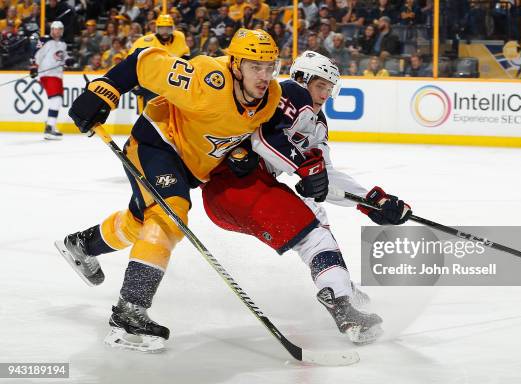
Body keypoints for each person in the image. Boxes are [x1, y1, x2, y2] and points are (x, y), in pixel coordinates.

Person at [54, 29, 282, 352]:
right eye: (255, 66)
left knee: (141, 223)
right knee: (170, 213)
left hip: (189, 166)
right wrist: (104, 92)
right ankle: (130, 311)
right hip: (156, 142)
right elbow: (143, 63)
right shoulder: (207, 79)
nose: (264, 75)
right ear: (234, 65)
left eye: (269, 66)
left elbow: (238, 127)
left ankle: (82, 245)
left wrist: (241, 153)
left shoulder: (271, 96)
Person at [201, 51, 412, 344]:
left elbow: (324, 176)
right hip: (237, 186)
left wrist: (373, 201)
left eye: (329, 87)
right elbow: (264, 140)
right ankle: (342, 305)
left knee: (318, 229)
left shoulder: (317, 122)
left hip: (246, 192)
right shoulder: (290, 92)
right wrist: (302, 167)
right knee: (315, 237)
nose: (325, 93)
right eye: (320, 84)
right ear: (301, 77)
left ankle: (338, 286)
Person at [129, 14, 190, 113]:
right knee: (147, 117)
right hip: (149, 84)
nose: (165, 32)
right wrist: (134, 83)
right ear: (157, 29)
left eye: (168, 29)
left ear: (173, 28)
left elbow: (185, 57)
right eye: (162, 29)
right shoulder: (145, 41)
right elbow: (131, 62)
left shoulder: (179, 37)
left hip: (170, 86)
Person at [29, 21, 75, 140]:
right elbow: (36, 53)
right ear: (52, 30)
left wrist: (68, 60)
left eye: (60, 29)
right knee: (56, 100)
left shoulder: (63, 43)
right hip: (47, 74)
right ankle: (49, 128)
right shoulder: (45, 40)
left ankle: (50, 125)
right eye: (55, 29)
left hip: (58, 75)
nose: (57, 31)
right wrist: (34, 67)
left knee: (57, 100)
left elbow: (63, 57)